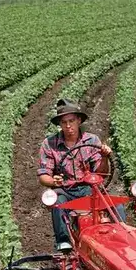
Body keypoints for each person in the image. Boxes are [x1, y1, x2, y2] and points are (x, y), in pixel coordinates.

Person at [38, 98, 115, 250]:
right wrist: (54, 181)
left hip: (88, 188)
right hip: (65, 190)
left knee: (113, 205)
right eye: (64, 122)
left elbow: (101, 172)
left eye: (71, 121)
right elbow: (43, 176)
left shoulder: (92, 140)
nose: (68, 126)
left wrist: (105, 156)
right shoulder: (49, 144)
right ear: (59, 124)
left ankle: (119, 237)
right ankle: (63, 242)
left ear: (79, 120)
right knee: (57, 202)